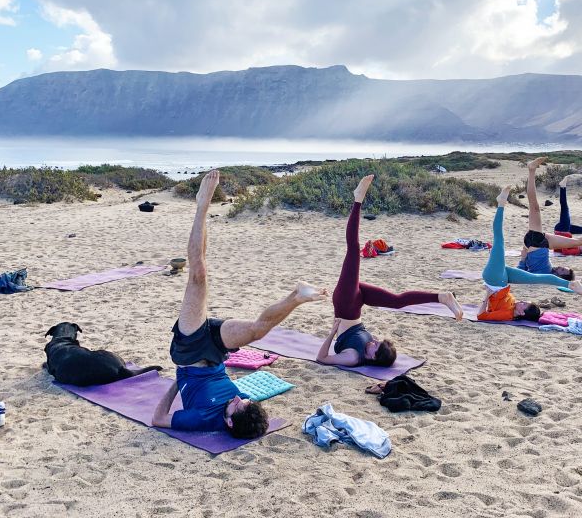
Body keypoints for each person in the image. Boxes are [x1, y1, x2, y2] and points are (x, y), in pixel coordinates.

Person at [152, 170, 327, 438]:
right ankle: (296, 297)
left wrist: (177, 381)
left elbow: (158, 419)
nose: (236, 398)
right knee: (257, 330)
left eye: (236, 405)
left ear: (229, 423)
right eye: (242, 400)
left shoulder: (202, 419)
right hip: (216, 352)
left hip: (189, 354)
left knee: (198, 275)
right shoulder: (245, 404)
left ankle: (202, 204)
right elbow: (247, 404)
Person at [317, 175, 462, 367]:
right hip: (356, 305)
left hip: (344, 304)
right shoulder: (371, 348)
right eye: (378, 342)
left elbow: (322, 358)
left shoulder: (353, 357)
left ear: (371, 358)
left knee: (353, 248)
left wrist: (332, 332)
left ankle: (358, 199)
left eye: (375, 347)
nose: (374, 341)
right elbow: (368, 341)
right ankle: (442, 297)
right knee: (397, 301)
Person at [479, 185, 582, 322]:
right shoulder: (514, 307)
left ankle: (501, 203)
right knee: (538, 277)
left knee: (499, 238)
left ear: (521, 313)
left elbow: (481, 316)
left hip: (494, 280)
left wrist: (486, 297)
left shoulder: (507, 313)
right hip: (504, 281)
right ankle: (571, 285)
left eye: (524, 304)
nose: (523, 301)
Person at [519, 158, 582, 281]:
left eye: (562, 270)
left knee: (534, 206)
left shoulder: (548, 277)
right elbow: (522, 271)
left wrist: (522, 259)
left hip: (536, 244)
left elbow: (521, 273)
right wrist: (524, 257)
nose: (561, 267)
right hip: (539, 244)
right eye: (564, 268)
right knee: (577, 238)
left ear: (560, 276)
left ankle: (532, 170)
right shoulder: (549, 271)